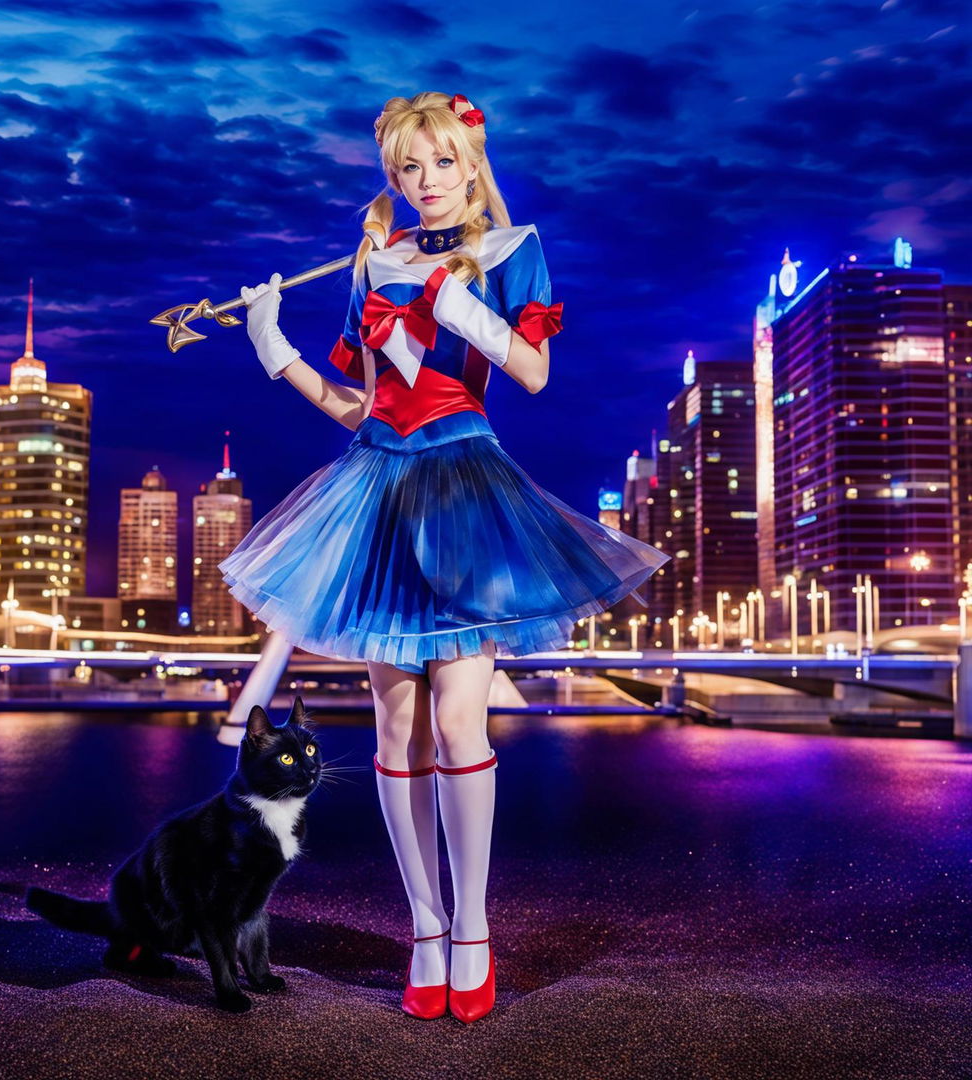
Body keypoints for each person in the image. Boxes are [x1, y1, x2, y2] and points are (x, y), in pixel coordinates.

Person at [224, 91, 669, 1024]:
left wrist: (463, 311)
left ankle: (471, 930)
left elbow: (536, 376)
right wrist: (274, 347)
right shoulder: (371, 264)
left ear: (471, 163)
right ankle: (425, 928)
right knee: (396, 735)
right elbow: (361, 406)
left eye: (438, 164)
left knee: (463, 728)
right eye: (404, 170)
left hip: (465, 488)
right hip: (377, 489)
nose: (423, 184)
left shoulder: (515, 248)